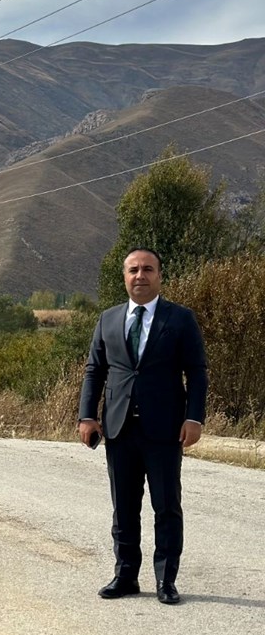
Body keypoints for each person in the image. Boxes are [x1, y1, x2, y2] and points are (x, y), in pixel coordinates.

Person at [77, 247, 207, 605]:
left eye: (148, 269)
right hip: (118, 430)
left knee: (166, 507)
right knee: (124, 508)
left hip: (165, 430)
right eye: (133, 269)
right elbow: (94, 371)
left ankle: (166, 580)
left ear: (159, 276)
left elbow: (196, 371)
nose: (140, 275)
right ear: (124, 276)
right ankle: (125, 576)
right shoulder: (108, 319)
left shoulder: (180, 319)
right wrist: (87, 416)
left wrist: (194, 418)